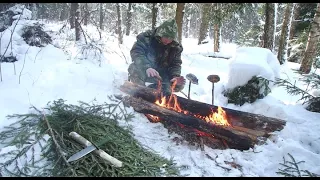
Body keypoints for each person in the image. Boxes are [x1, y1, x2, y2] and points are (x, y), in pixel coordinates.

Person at [128, 19, 185, 95]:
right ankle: (140, 94)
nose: (167, 40)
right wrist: (147, 67)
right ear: (160, 33)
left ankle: (160, 93)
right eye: (165, 37)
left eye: (170, 38)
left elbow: (176, 64)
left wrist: (175, 76)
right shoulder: (146, 37)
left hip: (162, 73)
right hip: (145, 68)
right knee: (135, 69)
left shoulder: (176, 47)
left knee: (178, 85)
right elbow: (136, 52)